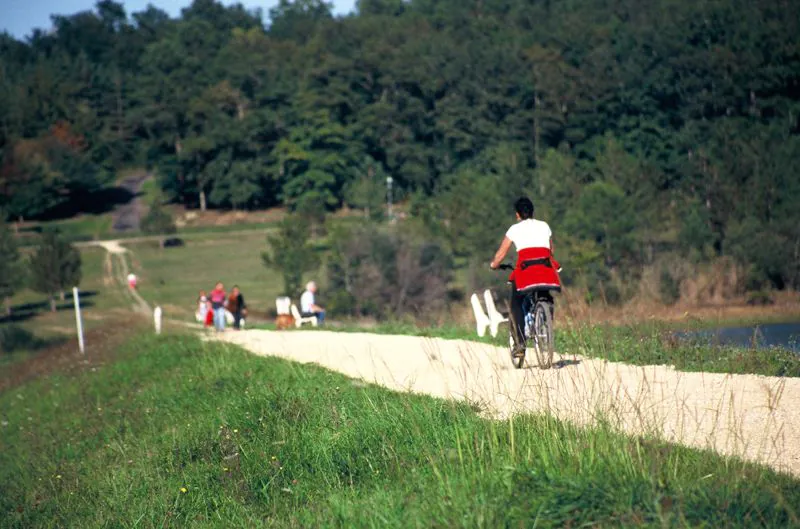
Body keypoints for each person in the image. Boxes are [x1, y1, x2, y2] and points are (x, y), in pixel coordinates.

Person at [490, 197, 561, 356]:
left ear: (517, 214)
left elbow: (501, 254)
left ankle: (521, 343)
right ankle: (546, 320)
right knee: (545, 294)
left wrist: (494, 265)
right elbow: (551, 250)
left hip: (526, 272)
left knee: (516, 302)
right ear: (532, 212)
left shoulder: (514, 229)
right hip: (545, 270)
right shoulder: (544, 226)